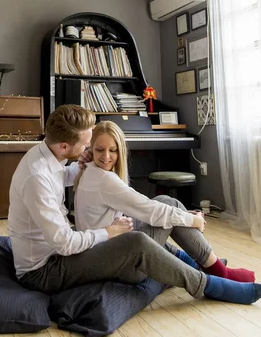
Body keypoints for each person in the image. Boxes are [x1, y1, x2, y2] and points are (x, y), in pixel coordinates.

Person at [8, 105, 261, 305]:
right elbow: (64, 243)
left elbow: (61, 176)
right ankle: (211, 286)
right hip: (44, 271)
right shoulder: (37, 178)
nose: (89, 149)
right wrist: (108, 232)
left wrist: (81, 165)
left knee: (164, 204)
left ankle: (213, 268)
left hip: (58, 252)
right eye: (86, 145)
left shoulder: (46, 156)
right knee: (137, 242)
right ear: (64, 146)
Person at [74, 120, 255, 283]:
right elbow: (151, 212)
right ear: (91, 148)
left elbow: (138, 206)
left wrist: (183, 216)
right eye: (100, 149)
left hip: (106, 253)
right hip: (119, 264)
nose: (106, 156)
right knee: (170, 208)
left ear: (120, 150)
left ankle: (209, 265)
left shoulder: (88, 171)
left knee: (165, 202)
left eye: (112, 150)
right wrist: (193, 220)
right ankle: (219, 272)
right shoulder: (105, 180)